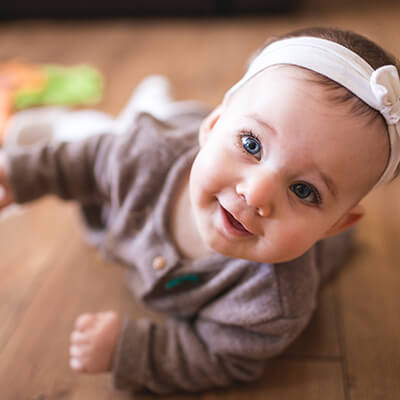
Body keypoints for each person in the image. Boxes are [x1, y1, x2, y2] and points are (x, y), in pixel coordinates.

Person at [0, 26, 399, 395]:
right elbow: (86, 161)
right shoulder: (143, 156)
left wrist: (135, 349)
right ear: (216, 123)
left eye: (304, 190)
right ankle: (155, 106)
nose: (256, 193)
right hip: (172, 132)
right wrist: (18, 176)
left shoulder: (274, 302)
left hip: (197, 134)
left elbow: (221, 356)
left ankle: (176, 112)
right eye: (252, 145)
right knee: (106, 135)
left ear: (335, 224)